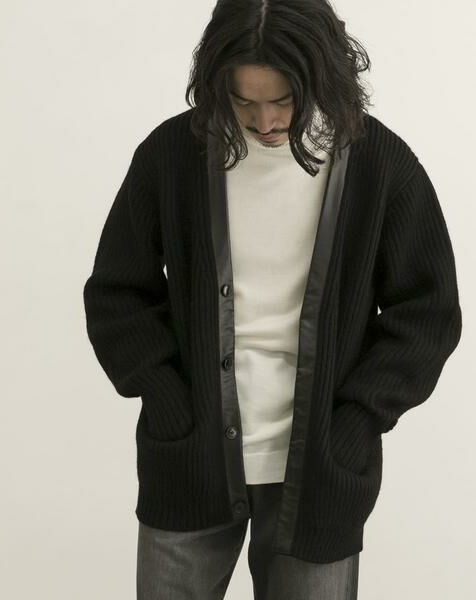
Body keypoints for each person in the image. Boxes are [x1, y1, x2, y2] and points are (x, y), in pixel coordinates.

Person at [82, 1, 462, 598]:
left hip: (320, 478)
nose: (264, 121)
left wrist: (358, 421)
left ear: (323, 77)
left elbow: (427, 314)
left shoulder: (382, 166)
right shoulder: (173, 153)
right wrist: (164, 395)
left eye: (283, 100)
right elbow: (117, 291)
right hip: (190, 461)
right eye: (243, 101)